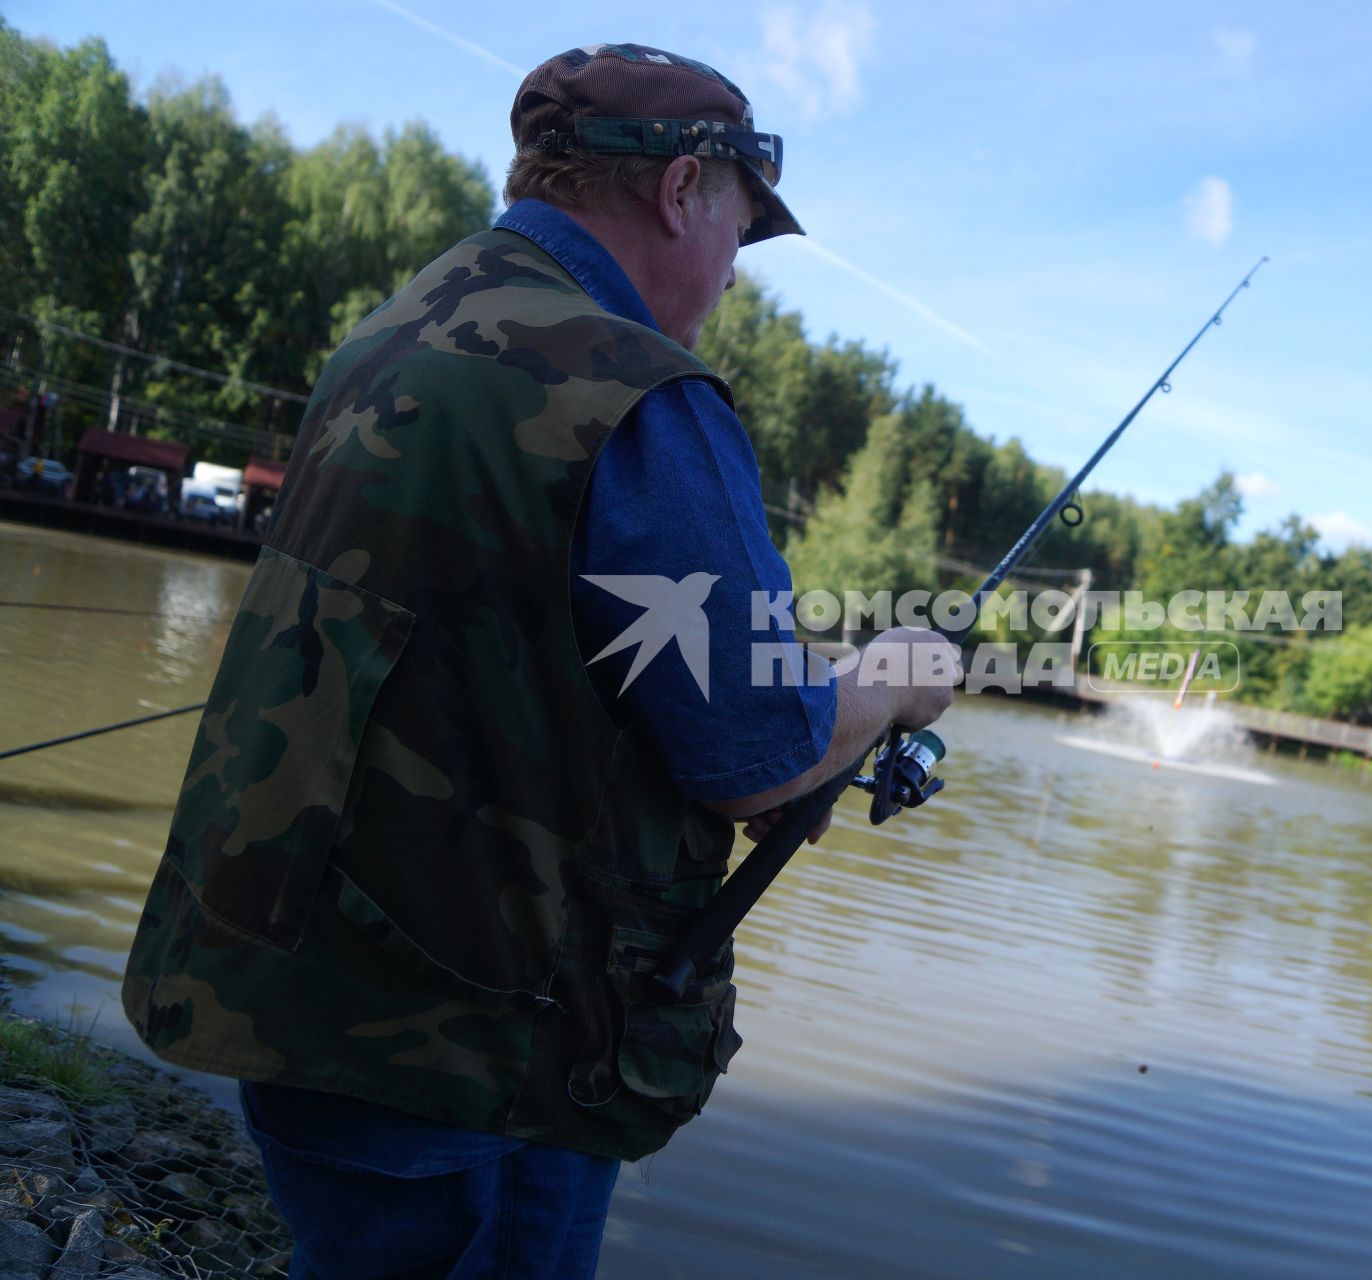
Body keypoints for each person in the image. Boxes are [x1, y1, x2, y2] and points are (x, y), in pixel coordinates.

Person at [121, 43, 956, 1279]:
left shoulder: (393, 338)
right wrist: (890, 679)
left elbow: (515, 657)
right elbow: (756, 754)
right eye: (738, 226)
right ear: (683, 191)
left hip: (282, 973)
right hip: (474, 1041)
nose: (732, 271)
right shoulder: (631, 392)